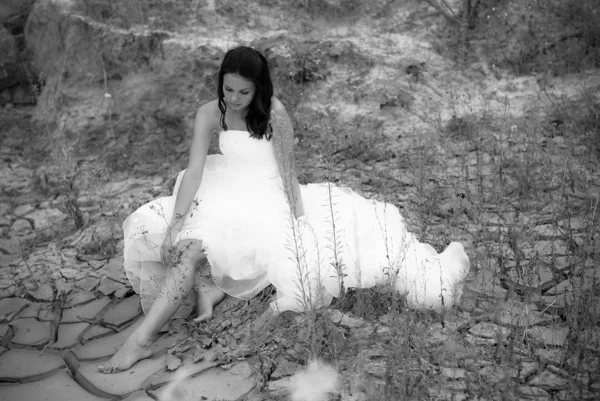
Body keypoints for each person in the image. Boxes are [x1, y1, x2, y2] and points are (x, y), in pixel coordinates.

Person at [98, 46, 470, 374]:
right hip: (223, 190)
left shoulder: (275, 113)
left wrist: (300, 223)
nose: (236, 98)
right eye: (228, 89)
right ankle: (182, 308)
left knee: (218, 249)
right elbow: (195, 171)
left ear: (260, 88)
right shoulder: (209, 113)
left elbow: (289, 173)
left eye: (245, 91)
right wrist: (177, 222)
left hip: (267, 197)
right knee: (181, 244)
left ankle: (152, 332)